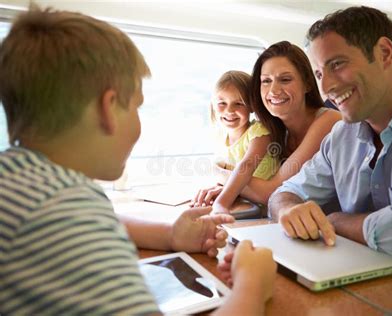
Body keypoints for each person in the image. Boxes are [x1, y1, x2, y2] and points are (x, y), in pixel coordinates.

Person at [0, 6, 276, 314]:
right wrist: (252, 286)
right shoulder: (62, 209)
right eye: (137, 107)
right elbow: (78, 220)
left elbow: (103, 219)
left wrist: (171, 234)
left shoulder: (24, 183)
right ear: (109, 108)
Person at [268, 6, 392, 311]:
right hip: (360, 292)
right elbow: (284, 194)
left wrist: (333, 221)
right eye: (320, 73)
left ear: (385, 53)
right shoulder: (341, 136)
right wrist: (287, 209)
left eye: (337, 64)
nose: (326, 87)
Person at [193, 41, 341, 206]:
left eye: (285, 79)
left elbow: (269, 192)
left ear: (307, 84)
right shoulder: (275, 132)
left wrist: (220, 173)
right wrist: (230, 189)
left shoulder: (329, 121)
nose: (273, 91)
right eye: (266, 81)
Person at [193, 70, 279, 214]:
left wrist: (222, 203)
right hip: (242, 200)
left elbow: (246, 165)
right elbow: (229, 170)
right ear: (213, 105)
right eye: (222, 103)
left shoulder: (258, 132)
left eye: (238, 103)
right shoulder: (221, 136)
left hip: (265, 207)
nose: (230, 110)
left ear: (251, 106)